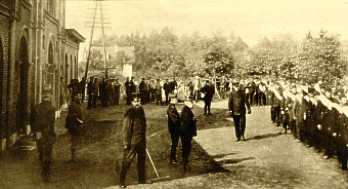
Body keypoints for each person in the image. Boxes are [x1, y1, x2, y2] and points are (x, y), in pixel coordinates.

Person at [119, 94, 147, 188]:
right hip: (132, 143)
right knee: (127, 161)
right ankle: (121, 181)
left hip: (141, 141)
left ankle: (141, 179)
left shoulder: (141, 111)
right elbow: (126, 129)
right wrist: (126, 143)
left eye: (139, 101)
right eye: (135, 101)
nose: (137, 103)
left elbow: (143, 126)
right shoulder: (129, 113)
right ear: (132, 102)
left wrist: (144, 139)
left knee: (142, 161)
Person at [31, 89, 56, 182]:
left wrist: (35, 131)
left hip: (39, 133)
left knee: (41, 151)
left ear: (42, 97)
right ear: (49, 97)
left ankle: (42, 169)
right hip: (48, 133)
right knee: (48, 153)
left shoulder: (36, 107)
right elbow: (52, 122)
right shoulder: (52, 108)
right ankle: (46, 174)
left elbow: (32, 121)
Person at [65, 95, 85, 162]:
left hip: (71, 126)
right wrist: (81, 122)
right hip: (76, 126)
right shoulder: (78, 107)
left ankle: (73, 156)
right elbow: (80, 117)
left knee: (73, 140)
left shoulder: (71, 106)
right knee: (75, 141)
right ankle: (74, 157)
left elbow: (68, 116)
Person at [180, 100, 197, 171]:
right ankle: (185, 162)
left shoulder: (185, 109)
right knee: (187, 147)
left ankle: (185, 161)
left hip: (185, 132)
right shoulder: (186, 111)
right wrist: (193, 120)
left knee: (186, 147)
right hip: (186, 132)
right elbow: (187, 122)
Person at [167, 96, 181, 164]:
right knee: (174, 143)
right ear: (171, 100)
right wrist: (181, 120)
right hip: (174, 129)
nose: (176, 100)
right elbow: (174, 119)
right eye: (175, 99)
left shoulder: (173, 107)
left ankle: (173, 156)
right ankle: (172, 158)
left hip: (174, 128)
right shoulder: (171, 108)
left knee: (175, 143)